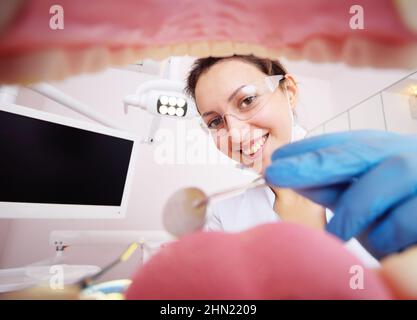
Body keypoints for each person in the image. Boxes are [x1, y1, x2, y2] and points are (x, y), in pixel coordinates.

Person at [184, 54, 417, 264]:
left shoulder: (377, 181)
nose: (234, 133)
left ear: (289, 92)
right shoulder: (223, 220)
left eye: (247, 100)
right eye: (215, 122)